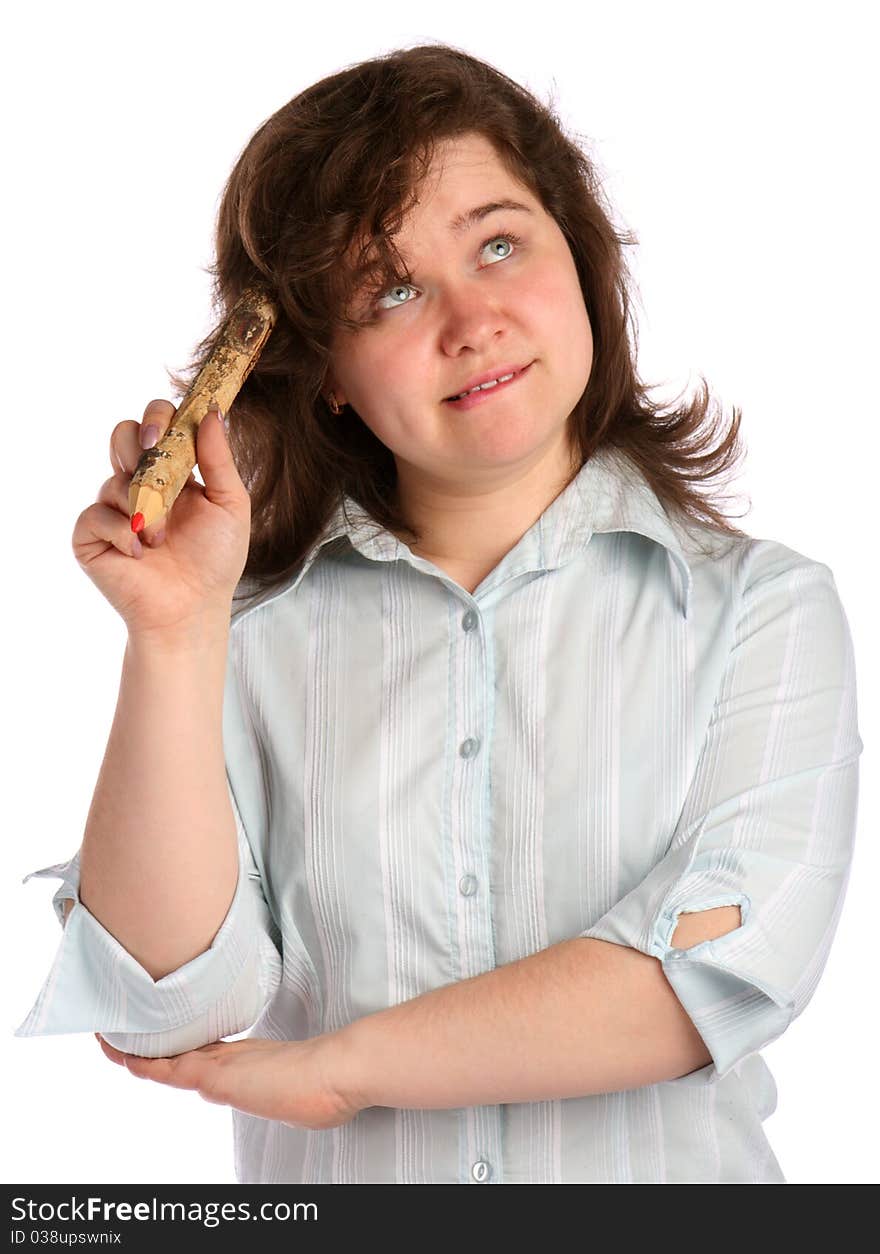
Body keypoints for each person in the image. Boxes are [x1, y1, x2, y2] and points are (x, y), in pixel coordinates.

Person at [15, 44, 862, 1185]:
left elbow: (703, 983)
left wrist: (345, 1067)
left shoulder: (762, 610)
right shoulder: (245, 637)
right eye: (390, 290)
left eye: (498, 244)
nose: (472, 322)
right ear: (322, 369)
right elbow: (162, 1006)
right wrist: (172, 638)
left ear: (580, 252)